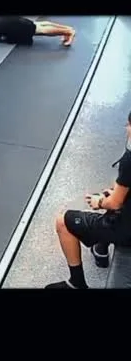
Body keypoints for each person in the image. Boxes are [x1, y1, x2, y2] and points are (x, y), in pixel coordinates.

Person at [45, 110, 131, 289]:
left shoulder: (129, 161)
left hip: (127, 231)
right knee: (112, 194)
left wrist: (99, 202)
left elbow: (115, 203)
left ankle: (76, 283)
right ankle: (100, 249)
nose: (126, 129)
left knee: (63, 221)